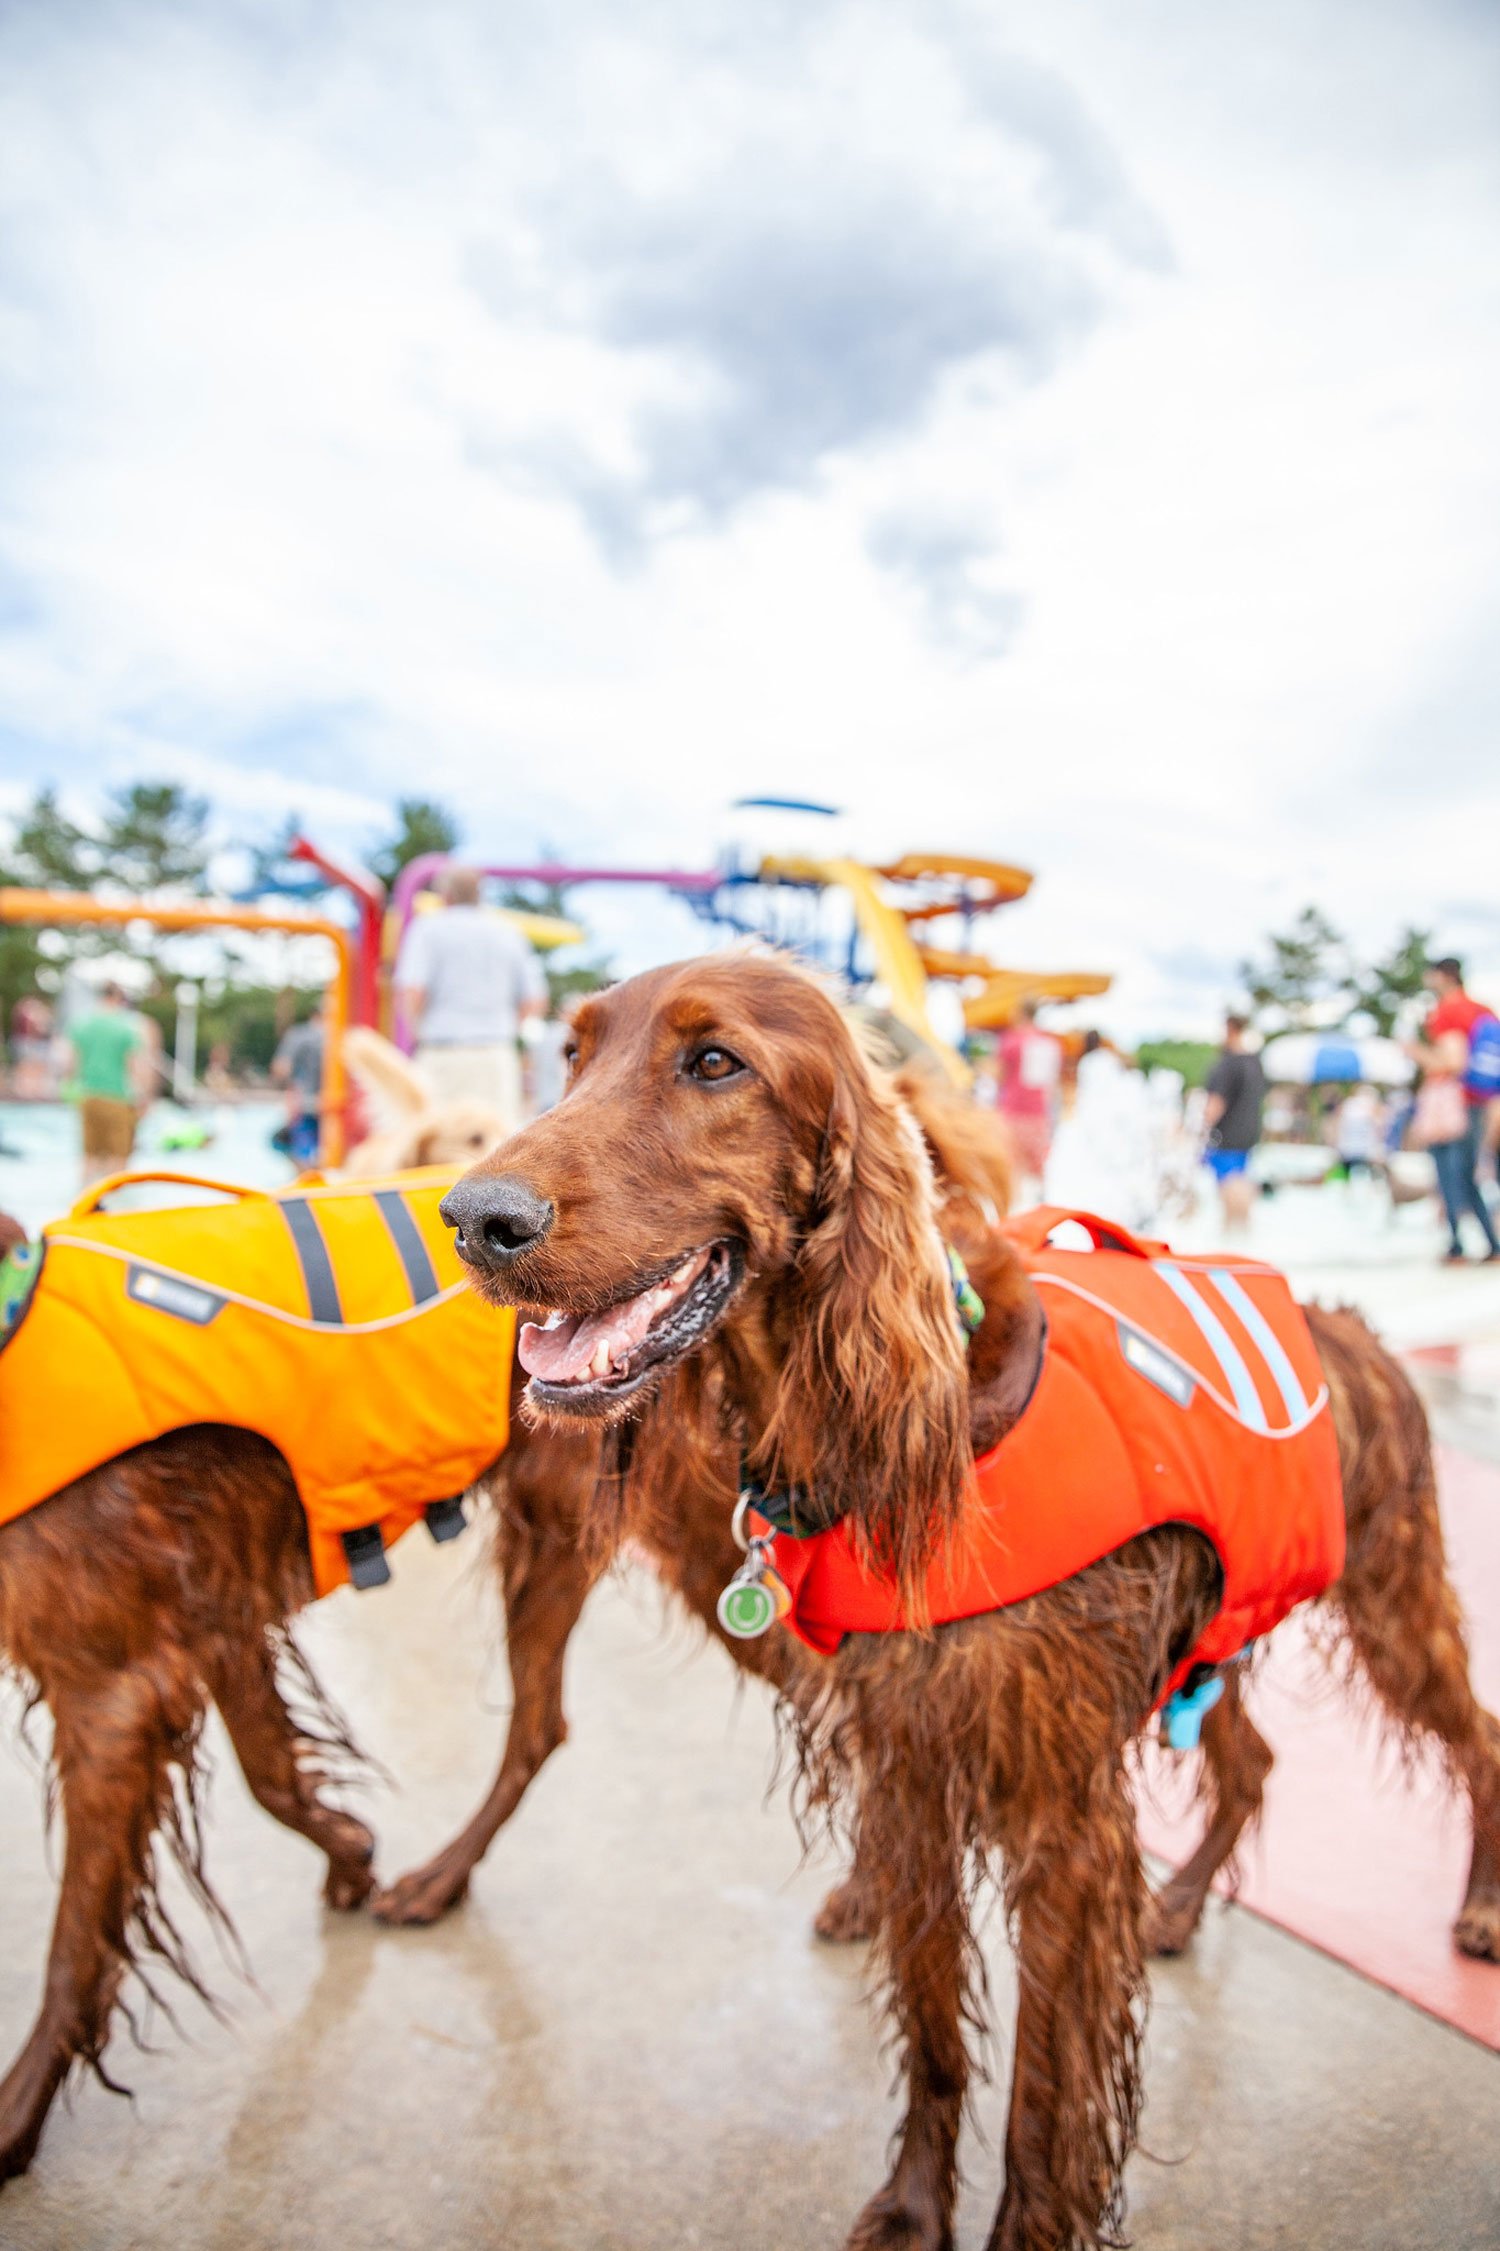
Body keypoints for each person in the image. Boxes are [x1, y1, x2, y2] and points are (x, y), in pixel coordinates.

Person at [393, 866, 546, 1132]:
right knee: (497, 1146)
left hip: (442, 1054)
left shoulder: (428, 929)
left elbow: (413, 992)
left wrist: (416, 1029)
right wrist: (510, 1027)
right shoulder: (508, 931)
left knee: (436, 1145)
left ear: (445, 895)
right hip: (496, 1055)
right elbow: (535, 1000)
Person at [1407, 956, 1500, 1264]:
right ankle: (1490, 1243)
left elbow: (1452, 1061)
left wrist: (1416, 1052)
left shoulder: (1448, 1010)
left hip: (1452, 1104)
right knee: (1468, 1174)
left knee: (1450, 1174)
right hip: (1478, 1101)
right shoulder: (1482, 1010)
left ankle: (1458, 1244)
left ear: (1442, 977)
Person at [66, 982, 148, 1186]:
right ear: (118, 998)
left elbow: (70, 1065)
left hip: (88, 1096)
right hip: (117, 1097)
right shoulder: (125, 1026)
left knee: (90, 1157)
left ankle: (85, 1206)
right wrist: (144, 1097)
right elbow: (136, 1067)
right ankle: (114, 1210)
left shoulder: (82, 1024)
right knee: (118, 1159)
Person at [1202, 1013, 1266, 1233]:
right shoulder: (1255, 1062)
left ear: (1230, 1029)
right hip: (1249, 1133)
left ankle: (1229, 1235)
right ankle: (1244, 1233)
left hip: (1226, 1135)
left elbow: (1216, 1103)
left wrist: (1199, 1130)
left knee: (1229, 1184)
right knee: (1240, 1179)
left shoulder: (1227, 1064)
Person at [994, 999, 1062, 1203]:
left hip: (1012, 1114)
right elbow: (1052, 1084)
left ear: (1020, 1014)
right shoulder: (1050, 1044)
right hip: (1040, 1116)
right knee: (1038, 1175)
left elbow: (999, 1075)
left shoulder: (1011, 1042)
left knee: (1010, 1175)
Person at [271, 998, 326, 1169]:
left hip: (306, 1103)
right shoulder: (344, 1034)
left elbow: (281, 1067)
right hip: (334, 1104)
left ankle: (305, 1182)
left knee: (297, 1149)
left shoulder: (299, 1035)